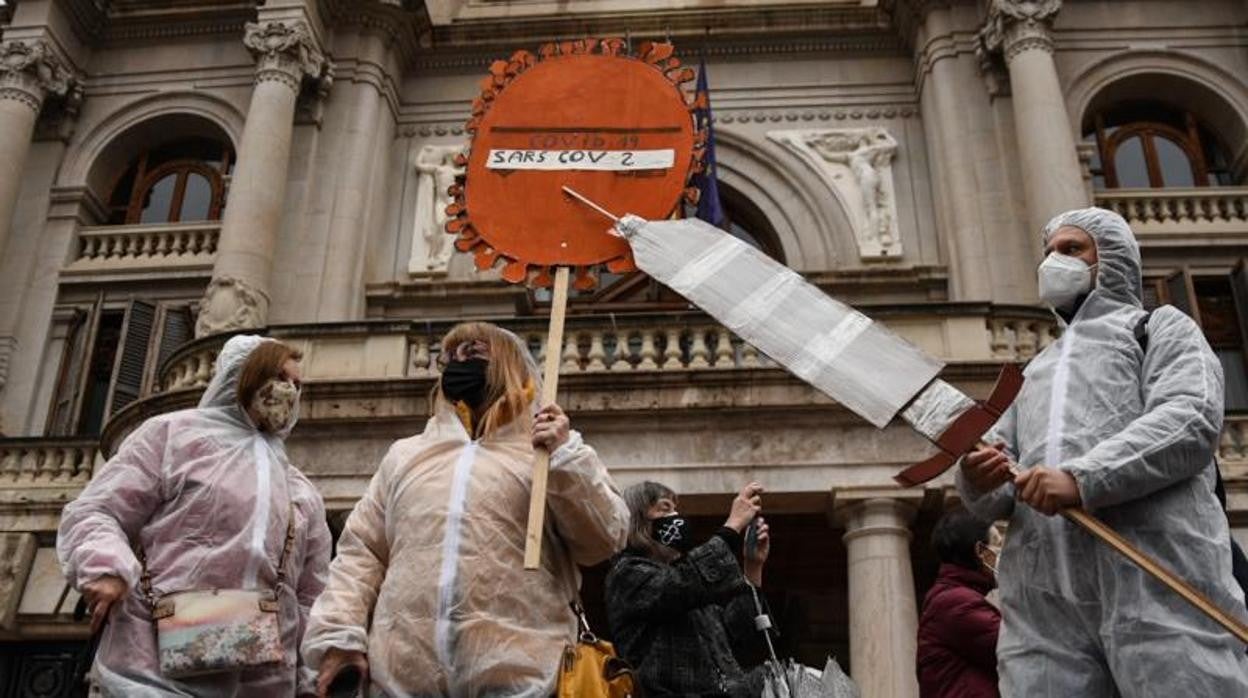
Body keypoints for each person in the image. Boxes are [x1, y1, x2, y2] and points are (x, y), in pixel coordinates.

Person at [958, 207, 1248, 695]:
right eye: (1049, 252)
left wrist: (1082, 478)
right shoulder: (1033, 371)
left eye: (1071, 249)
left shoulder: (1159, 328)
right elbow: (996, 466)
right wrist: (978, 478)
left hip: (1158, 583)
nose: (1054, 261)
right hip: (1043, 609)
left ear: (1110, 260)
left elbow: (1188, 418)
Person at [301, 321, 629, 697]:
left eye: (473, 351)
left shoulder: (548, 451)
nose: (460, 360)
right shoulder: (406, 456)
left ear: (510, 363)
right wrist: (340, 638)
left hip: (523, 682)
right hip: (402, 682)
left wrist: (566, 459)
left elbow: (603, 540)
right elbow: (361, 555)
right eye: (451, 356)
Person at [57, 335, 332, 696]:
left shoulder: (301, 492)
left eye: (297, 385)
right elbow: (97, 509)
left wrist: (314, 681)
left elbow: (312, 596)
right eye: (281, 378)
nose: (290, 392)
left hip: (262, 684)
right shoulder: (173, 437)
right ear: (244, 374)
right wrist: (106, 567)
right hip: (149, 673)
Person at [605, 480, 773, 698]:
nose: (676, 517)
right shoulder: (627, 574)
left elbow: (739, 632)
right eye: (665, 508)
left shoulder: (690, 587)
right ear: (637, 519)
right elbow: (681, 584)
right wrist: (733, 526)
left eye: (676, 509)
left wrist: (752, 566)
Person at [917, 510, 1001, 698]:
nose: (1003, 553)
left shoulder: (953, 597)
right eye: (998, 544)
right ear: (980, 551)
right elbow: (1016, 643)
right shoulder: (955, 603)